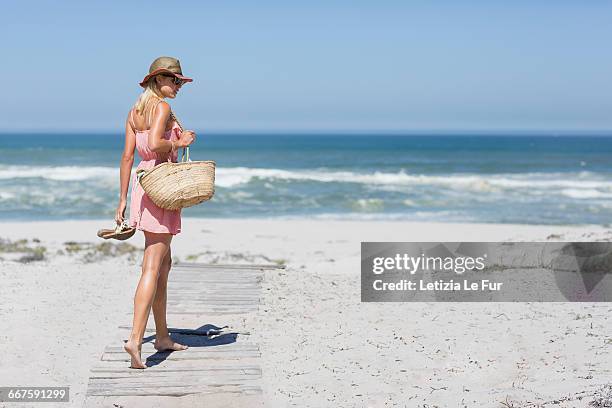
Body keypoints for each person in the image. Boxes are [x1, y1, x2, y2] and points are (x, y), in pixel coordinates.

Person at [115, 56, 196, 369]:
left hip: (142, 184)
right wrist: (183, 140)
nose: (177, 86)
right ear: (158, 79)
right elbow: (155, 143)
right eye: (173, 80)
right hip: (162, 184)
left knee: (164, 263)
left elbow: (126, 158)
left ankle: (161, 336)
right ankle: (135, 340)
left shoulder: (135, 111)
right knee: (152, 264)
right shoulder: (160, 107)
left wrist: (121, 199)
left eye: (179, 81)